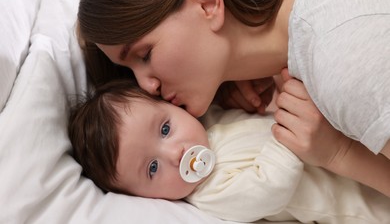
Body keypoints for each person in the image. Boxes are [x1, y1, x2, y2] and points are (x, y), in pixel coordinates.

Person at [76, 0, 390, 196]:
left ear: (206, 1)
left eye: (144, 55)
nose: (146, 86)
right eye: (132, 72)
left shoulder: (339, 59)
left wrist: (340, 154)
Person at [68, 79, 390, 223]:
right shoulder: (211, 193)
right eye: (152, 169)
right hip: (365, 203)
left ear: (172, 106)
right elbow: (270, 188)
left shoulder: (209, 122)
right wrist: (290, 135)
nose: (175, 154)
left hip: (354, 149)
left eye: (165, 130)